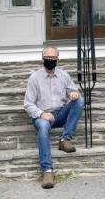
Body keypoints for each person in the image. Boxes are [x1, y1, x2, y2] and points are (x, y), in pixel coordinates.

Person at [24, 45, 85, 189]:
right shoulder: (34, 78)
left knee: (80, 99)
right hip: (43, 116)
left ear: (58, 59)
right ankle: (47, 170)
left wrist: (74, 93)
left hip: (60, 113)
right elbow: (28, 104)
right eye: (47, 58)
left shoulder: (64, 75)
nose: (50, 60)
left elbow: (73, 91)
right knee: (44, 126)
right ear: (42, 58)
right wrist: (41, 114)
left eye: (53, 57)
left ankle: (65, 139)